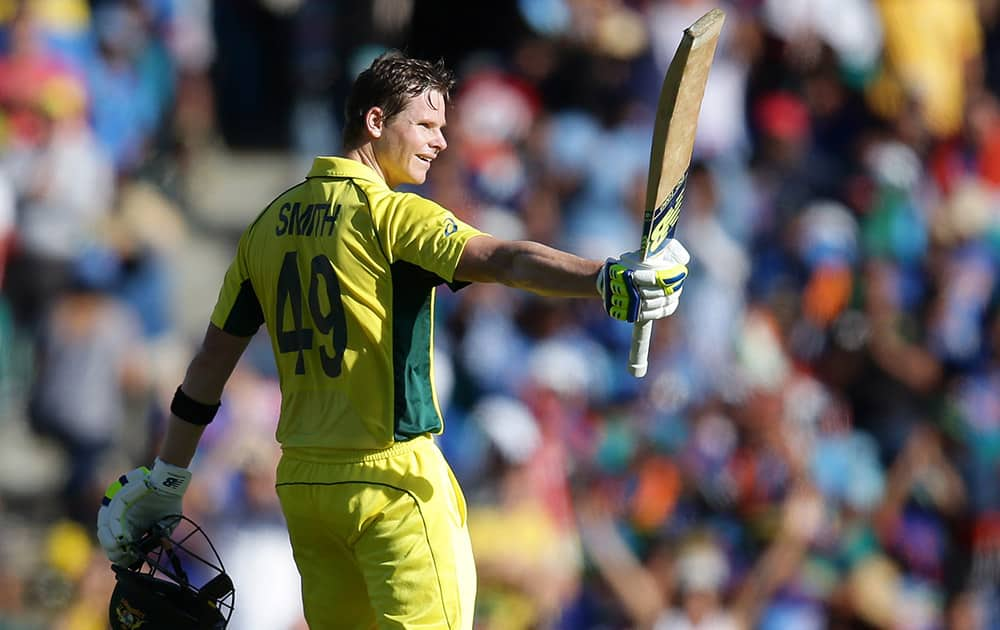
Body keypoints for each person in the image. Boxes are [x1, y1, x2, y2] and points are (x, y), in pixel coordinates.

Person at [96, 51, 690, 629]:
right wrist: (606, 279)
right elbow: (504, 259)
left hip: (305, 488)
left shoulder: (266, 227)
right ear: (375, 121)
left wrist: (166, 476)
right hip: (393, 484)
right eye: (426, 124)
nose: (441, 142)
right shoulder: (394, 215)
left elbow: (208, 369)